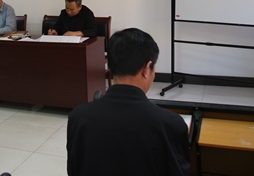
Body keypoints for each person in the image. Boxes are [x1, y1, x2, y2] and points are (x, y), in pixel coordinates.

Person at [67, 28, 190, 176]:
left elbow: (74, 169)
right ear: (146, 69)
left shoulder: (78, 117)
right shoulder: (170, 124)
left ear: (110, 66)